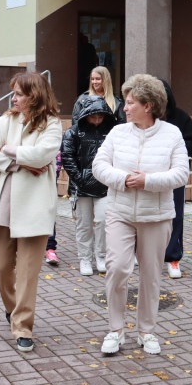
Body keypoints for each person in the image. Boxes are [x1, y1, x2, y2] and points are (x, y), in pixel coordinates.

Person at [93, 74, 189, 356]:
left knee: (150, 275)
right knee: (118, 268)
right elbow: (99, 165)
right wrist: (124, 179)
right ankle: (116, 329)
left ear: (148, 105)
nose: (125, 107)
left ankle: (146, 330)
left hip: (157, 217)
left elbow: (181, 173)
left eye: (131, 102)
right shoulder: (118, 132)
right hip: (120, 212)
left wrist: (147, 180)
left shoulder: (172, 134)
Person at [0, 72, 62, 353]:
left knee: (27, 271)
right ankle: (13, 309)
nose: (14, 98)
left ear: (34, 95)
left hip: (35, 206)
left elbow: (43, 155)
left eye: (19, 94)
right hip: (4, 203)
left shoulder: (52, 123)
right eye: (14, 93)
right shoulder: (6, 120)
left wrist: (10, 149)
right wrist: (18, 162)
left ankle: (23, 325)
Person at [61, 96, 116, 276]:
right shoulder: (73, 133)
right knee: (84, 224)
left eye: (101, 116)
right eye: (94, 116)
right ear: (85, 115)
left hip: (104, 185)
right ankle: (85, 258)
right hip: (81, 186)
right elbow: (67, 157)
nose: (98, 120)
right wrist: (80, 178)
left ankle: (101, 256)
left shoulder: (112, 132)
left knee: (103, 221)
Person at [160, 80, 192, 279]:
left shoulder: (181, 117)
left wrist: (174, 153)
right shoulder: (145, 117)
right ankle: (141, 252)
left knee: (176, 215)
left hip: (175, 176)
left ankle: (173, 257)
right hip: (150, 175)